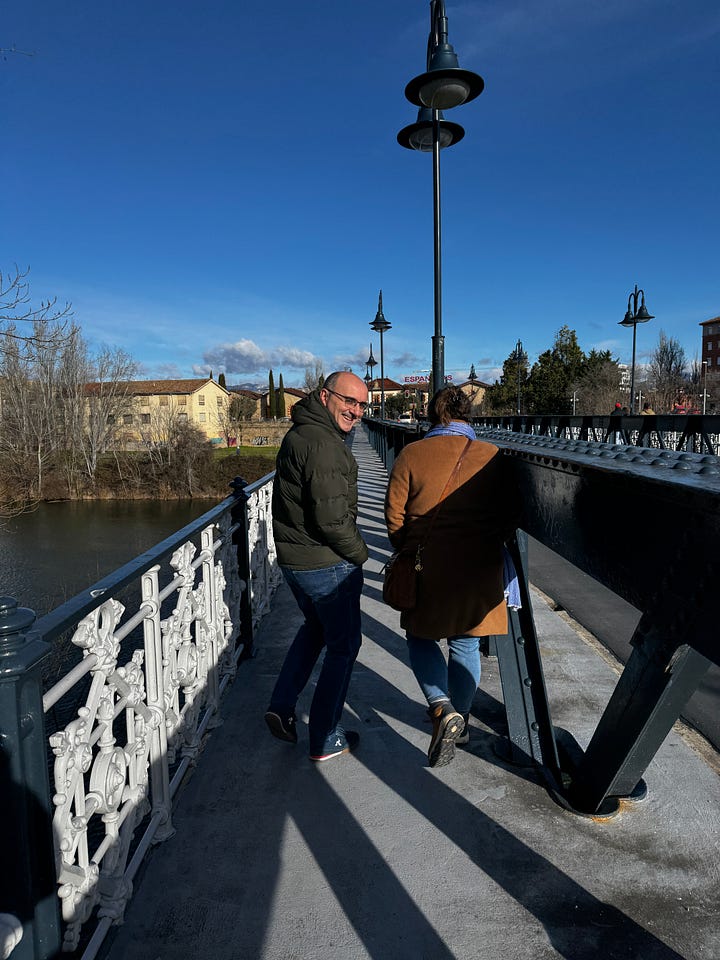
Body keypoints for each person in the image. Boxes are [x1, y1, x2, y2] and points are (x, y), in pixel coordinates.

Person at [384, 385, 519, 768]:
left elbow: (394, 516)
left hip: (428, 565)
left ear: (431, 415)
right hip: (479, 567)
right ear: (468, 416)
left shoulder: (412, 453)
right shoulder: (492, 455)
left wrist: (409, 548)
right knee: (465, 644)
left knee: (420, 636)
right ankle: (459, 718)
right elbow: (511, 513)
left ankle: (443, 709)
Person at [264, 371, 369, 762]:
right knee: (344, 647)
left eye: (362, 405)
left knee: (314, 630)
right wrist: (361, 554)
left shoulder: (302, 432)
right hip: (325, 565)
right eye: (349, 401)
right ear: (326, 396)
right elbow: (331, 522)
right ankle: (325, 736)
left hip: (296, 559)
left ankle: (282, 704)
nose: (356, 412)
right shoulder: (324, 444)